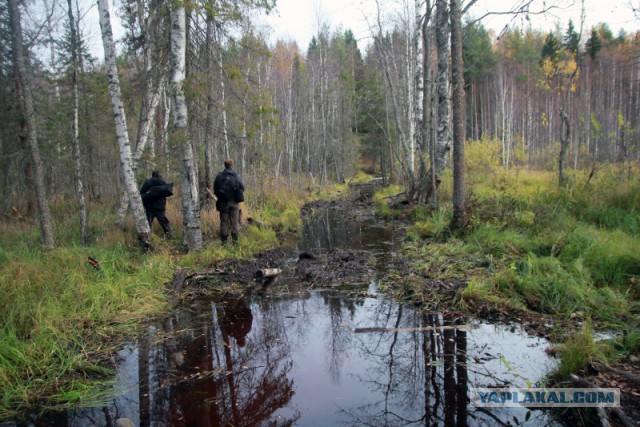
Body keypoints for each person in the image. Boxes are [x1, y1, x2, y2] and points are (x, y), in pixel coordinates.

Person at [214, 159, 244, 245]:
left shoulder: (219, 176)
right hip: (234, 202)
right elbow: (242, 187)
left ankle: (224, 243)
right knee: (234, 222)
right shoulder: (236, 176)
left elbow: (215, 188)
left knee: (224, 222)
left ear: (225, 165)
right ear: (232, 165)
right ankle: (235, 243)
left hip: (223, 202)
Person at [140, 171, 172, 238]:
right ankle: (169, 234)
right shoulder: (162, 182)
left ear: (153, 175)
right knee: (163, 221)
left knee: (148, 222)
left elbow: (142, 192)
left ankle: (147, 236)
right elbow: (167, 193)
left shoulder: (148, 182)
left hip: (149, 206)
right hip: (160, 207)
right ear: (159, 176)